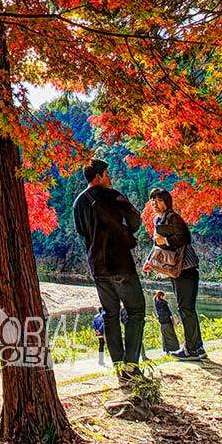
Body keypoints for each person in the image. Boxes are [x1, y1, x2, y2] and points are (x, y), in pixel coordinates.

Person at [73, 158, 146, 381]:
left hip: (97, 266)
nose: (110, 177)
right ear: (98, 177)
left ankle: (118, 366)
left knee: (110, 315)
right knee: (135, 311)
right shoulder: (113, 195)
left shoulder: (79, 203)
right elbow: (135, 221)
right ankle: (131, 365)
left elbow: (82, 232)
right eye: (107, 174)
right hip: (121, 263)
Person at [147, 188, 206, 360]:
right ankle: (194, 347)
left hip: (185, 268)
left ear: (166, 201)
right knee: (185, 308)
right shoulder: (159, 219)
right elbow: (159, 245)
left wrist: (164, 240)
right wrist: (150, 260)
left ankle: (193, 349)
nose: (154, 204)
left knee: (186, 308)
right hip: (177, 269)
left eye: (157, 200)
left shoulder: (173, 217)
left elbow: (185, 237)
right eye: (152, 202)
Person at [153, 290, 180, 355]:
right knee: (171, 336)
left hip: (162, 322)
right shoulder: (163, 304)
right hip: (167, 322)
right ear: (161, 296)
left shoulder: (157, 303)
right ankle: (175, 350)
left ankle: (167, 350)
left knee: (165, 337)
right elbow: (168, 314)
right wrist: (173, 321)